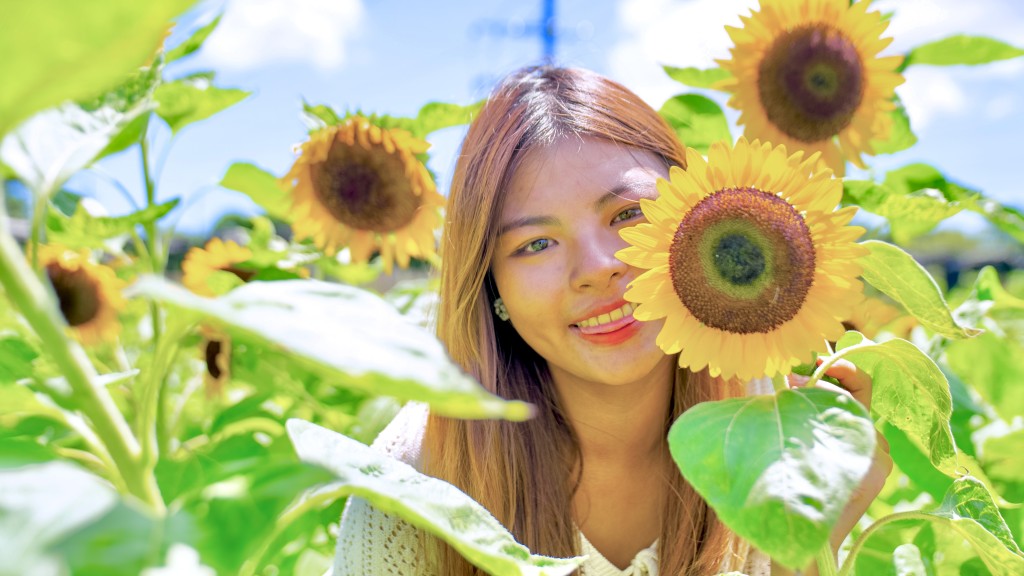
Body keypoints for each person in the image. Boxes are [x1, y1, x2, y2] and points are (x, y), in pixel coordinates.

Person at [332, 65, 891, 575]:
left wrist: (812, 543)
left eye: (627, 215)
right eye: (537, 243)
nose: (596, 270)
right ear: (490, 286)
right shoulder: (416, 478)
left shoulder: (777, 443)